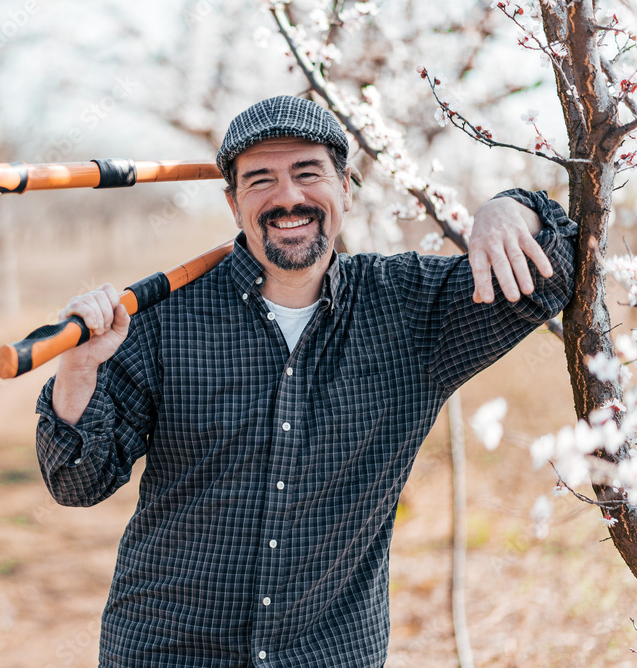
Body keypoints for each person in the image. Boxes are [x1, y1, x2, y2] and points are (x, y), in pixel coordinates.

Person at [34, 95, 576, 667]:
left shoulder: (412, 310)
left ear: (346, 187)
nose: (288, 197)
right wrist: (78, 369)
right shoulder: (162, 318)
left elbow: (550, 276)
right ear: (233, 201)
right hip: (166, 650)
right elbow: (75, 481)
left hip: (329, 653)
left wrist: (514, 208)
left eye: (307, 173)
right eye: (261, 179)